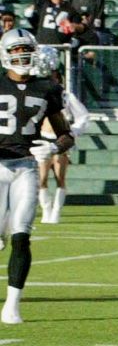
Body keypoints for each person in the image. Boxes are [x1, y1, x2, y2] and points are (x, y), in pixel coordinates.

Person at [0, 30, 76, 324]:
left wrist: (55, 147)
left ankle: (12, 305)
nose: (23, 56)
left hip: (26, 168)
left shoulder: (47, 87)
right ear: (7, 53)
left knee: (22, 236)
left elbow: (66, 134)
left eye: (26, 50)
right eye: (17, 50)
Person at [36, 67, 88, 225]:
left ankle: (56, 211)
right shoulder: (38, 95)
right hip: (43, 139)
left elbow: (83, 115)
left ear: (58, 79)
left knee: (60, 177)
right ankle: (46, 210)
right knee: (42, 178)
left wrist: (73, 132)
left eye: (53, 78)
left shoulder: (66, 96)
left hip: (60, 141)